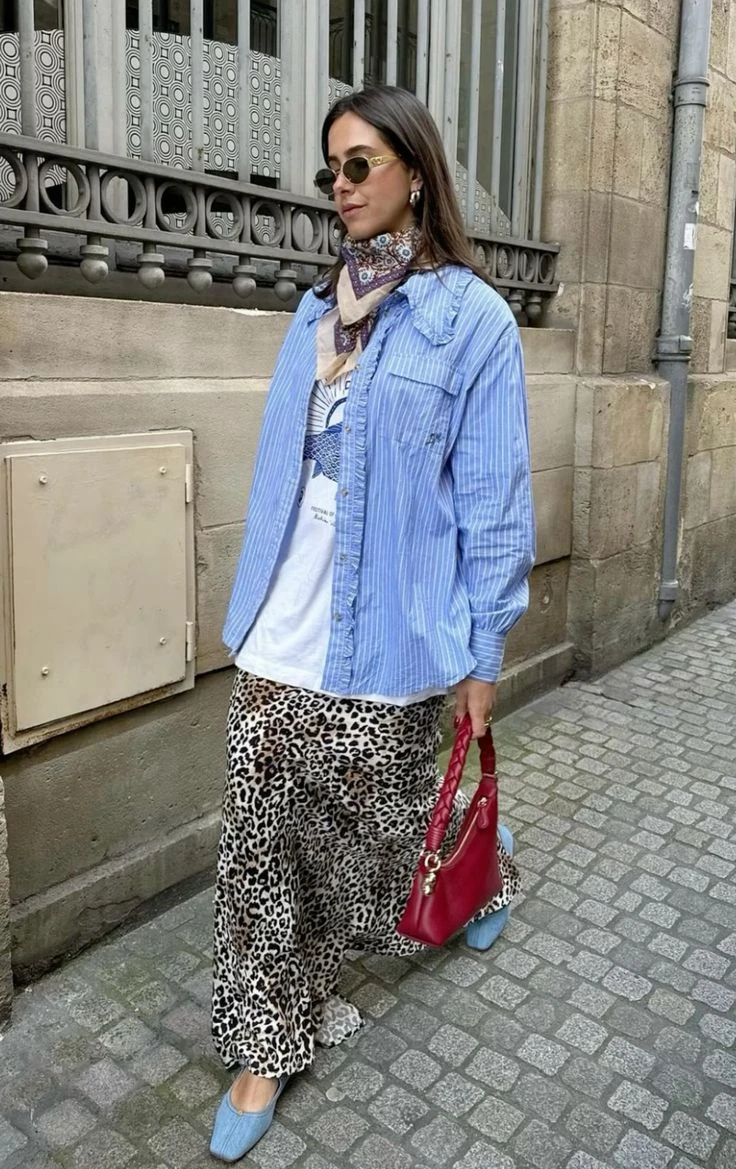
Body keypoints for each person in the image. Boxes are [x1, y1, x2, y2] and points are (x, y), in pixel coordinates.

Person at [209, 83, 535, 1162]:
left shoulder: (472, 322)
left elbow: (493, 501)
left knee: (378, 824)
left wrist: (484, 653)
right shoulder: (314, 310)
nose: (341, 187)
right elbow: (285, 470)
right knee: (259, 828)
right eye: (331, 170)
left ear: (415, 173)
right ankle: (265, 1043)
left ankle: (479, 874)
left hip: (394, 620)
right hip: (284, 613)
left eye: (359, 165)